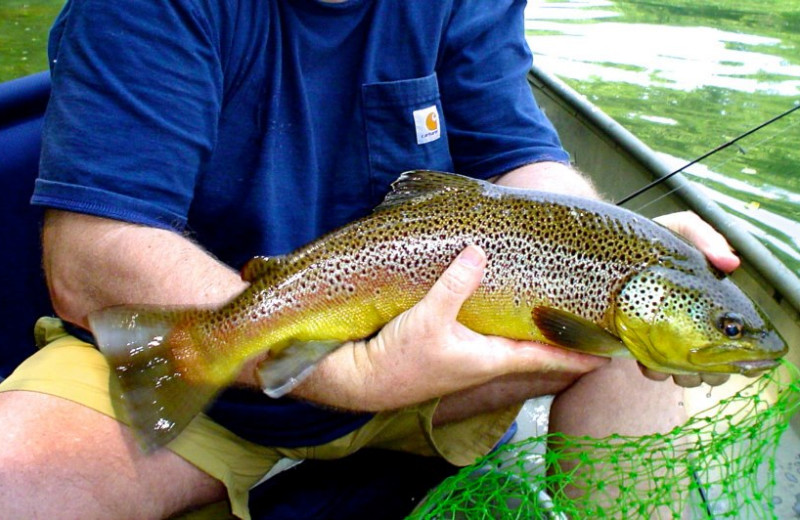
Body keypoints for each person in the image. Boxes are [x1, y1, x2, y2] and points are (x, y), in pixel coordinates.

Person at [0, 0, 739, 518]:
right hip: (211, 370)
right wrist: (341, 372)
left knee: (633, 345)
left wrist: (619, 241)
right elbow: (90, 257)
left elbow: (520, 161)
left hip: (434, 371)